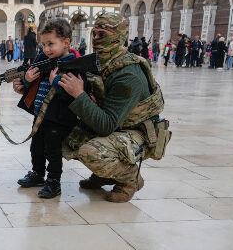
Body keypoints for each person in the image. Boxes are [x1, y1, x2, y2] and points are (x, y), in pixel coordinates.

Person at [14, 12, 167, 203]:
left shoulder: (129, 74)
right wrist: (27, 89)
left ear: (118, 37)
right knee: (58, 134)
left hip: (135, 132)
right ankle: (105, 174)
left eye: (102, 35)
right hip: (114, 126)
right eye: (94, 34)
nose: (96, 39)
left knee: (90, 151)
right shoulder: (99, 62)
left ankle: (130, 178)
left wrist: (78, 94)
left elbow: (106, 125)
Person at [15, 19, 87, 199]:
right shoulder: (41, 59)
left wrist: (56, 81)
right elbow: (29, 80)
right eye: (44, 44)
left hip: (59, 118)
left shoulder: (75, 64)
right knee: (36, 146)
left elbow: (75, 94)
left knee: (52, 150)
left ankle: (53, 182)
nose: (46, 49)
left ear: (66, 43)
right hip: (40, 114)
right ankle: (38, 174)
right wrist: (26, 79)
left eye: (51, 44)